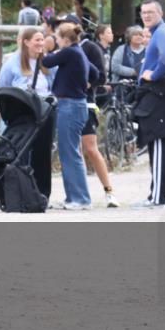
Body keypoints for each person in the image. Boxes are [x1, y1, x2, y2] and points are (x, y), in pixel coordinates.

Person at [133, 0, 165, 208]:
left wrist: (153, 75)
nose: (146, 16)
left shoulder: (162, 32)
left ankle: (157, 198)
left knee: (159, 144)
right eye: (144, 12)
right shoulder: (159, 32)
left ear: (160, 14)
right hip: (162, 95)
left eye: (151, 12)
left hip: (159, 95)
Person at [42, 22, 97, 210]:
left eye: (57, 39)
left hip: (70, 106)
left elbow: (47, 62)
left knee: (70, 153)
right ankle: (72, 197)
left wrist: (48, 49)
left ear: (65, 39)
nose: (55, 42)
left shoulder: (69, 52)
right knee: (69, 152)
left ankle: (80, 199)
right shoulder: (79, 52)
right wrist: (84, 83)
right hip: (76, 104)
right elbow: (96, 73)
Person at [0, 28, 56, 198]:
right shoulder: (12, 64)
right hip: (23, 111)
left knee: (43, 152)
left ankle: (42, 193)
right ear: (26, 42)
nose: (40, 43)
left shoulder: (47, 63)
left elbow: (52, 86)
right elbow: (4, 86)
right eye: (37, 40)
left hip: (44, 111)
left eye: (42, 40)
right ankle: (19, 190)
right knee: (20, 151)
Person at [71, 17, 119, 207]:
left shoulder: (89, 47)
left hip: (85, 102)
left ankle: (109, 191)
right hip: (66, 104)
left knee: (91, 147)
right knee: (74, 151)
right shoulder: (63, 48)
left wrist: (87, 84)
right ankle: (78, 194)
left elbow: (100, 75)